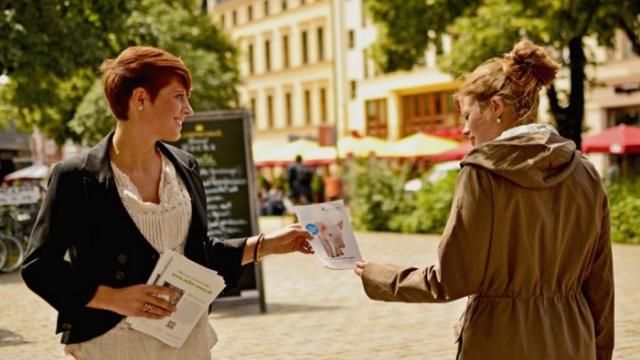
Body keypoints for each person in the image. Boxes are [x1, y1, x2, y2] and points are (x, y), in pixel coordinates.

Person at [21, 46, 313, 360]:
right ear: (140, 99)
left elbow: (197, 255)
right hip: (113, 345)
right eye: (178, 96)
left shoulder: (186, 167)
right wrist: (115, 298)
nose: (188, 109)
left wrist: (268, 243)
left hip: (185, 341)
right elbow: (40, 268)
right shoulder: (77, 177)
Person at [355, 40, 614, 360]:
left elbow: (452, 278)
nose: (464, 129)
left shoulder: (482, 172)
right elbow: (601, 286)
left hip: (499, 341)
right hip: (574, 341)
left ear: (495, 107)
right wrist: (601, 353)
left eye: (467, 115)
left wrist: (379, 275)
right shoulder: (586, 172)